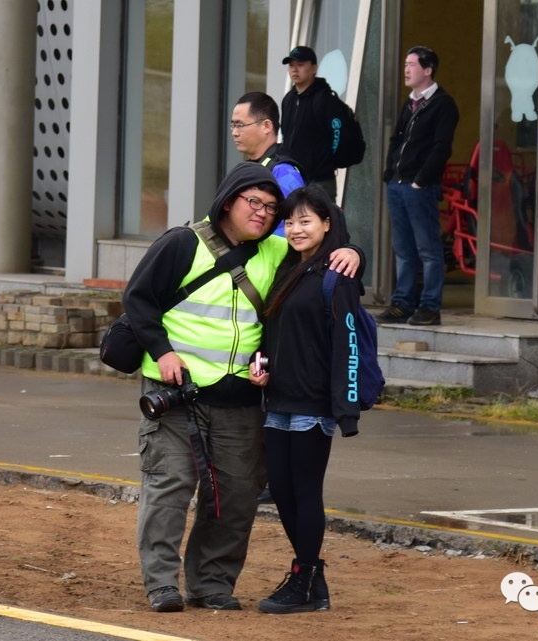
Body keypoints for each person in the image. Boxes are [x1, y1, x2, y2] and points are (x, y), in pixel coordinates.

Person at [122, 162, 360, 614]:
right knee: (170, 486)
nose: (265, 214)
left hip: (241, 400)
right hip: (176, 394)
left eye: (272, 208)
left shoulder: (274, 252)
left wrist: (355, 251)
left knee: (234, 497)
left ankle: (211, 583)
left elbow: (319, 247)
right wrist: (163, 350)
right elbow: (137, 298)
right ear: (228, 200)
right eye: (255, 203)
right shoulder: (181, 243)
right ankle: (161, 584)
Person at [248, 185, 362, 614]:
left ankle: (304, 578)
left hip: (313, 404)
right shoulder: (286, 269)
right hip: (278, 399)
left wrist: (344, 408)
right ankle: (312, 578)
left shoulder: (338, 274)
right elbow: (270, 332)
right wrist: (262, 365)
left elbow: (347, 345)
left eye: (305, 221)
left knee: (305, 490)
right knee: (281, 490)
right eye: (290, 221)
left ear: (327, 224)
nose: (295, 229)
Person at [379, 45, 459, 327]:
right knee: (403, 248)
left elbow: (441, 148)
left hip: (419, 187)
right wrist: (390, 173)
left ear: (428, 70)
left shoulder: (442, 104)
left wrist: (420, 181)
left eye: (412, 64)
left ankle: (429, 306)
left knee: (428, 249)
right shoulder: (409, 102)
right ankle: (403, 303)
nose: (406, 69)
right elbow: (396, 140)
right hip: (398, 185)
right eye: (405, 64)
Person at [231, 92, 306, 234]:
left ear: (266, 126)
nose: (234, 132)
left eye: (240, 125)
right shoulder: (249, 168)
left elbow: (289, 234)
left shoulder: (284, 171)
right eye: (233, 125)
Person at [280, 46, 345, 201]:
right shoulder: (288, 99)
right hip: (292, 180)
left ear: (314, 68)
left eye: (300, 65)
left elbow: (338, 137)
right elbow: (285, 135)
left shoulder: (326, 99)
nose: (294, 70)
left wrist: (325, 164)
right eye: (291, 65)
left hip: (320, 181)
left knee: (322, 224)